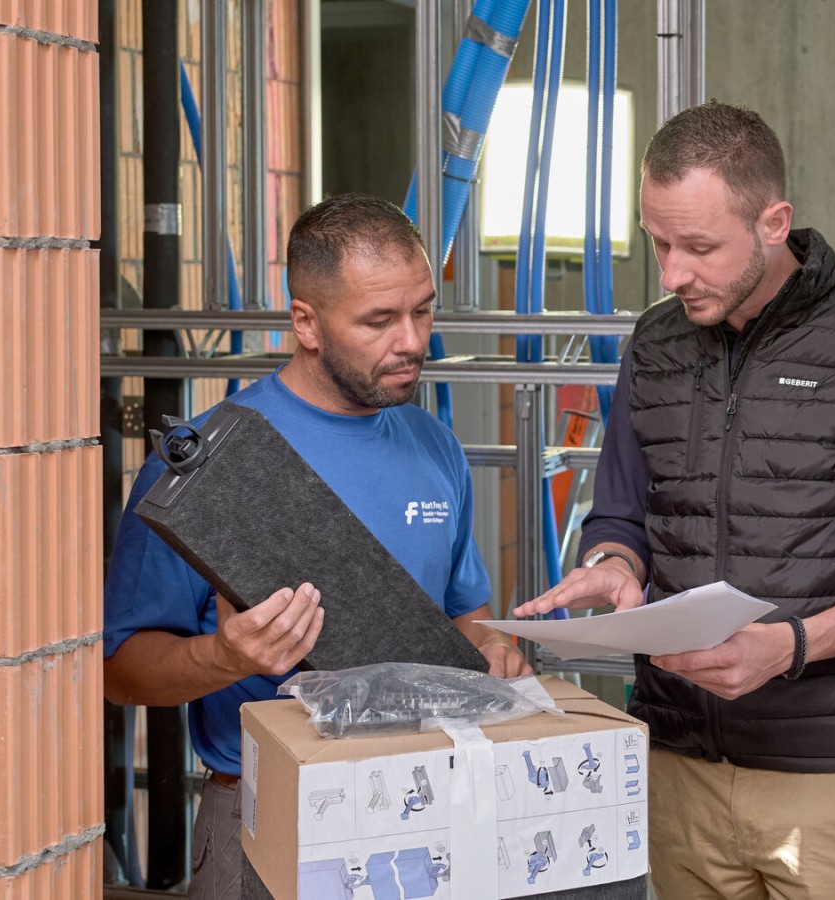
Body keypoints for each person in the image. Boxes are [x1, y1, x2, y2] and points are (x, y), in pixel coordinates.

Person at [515, 101, 835, 900]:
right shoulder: (655, 346)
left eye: (698, 246)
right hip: (676, 763)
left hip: (832, 779)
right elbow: (622, 513)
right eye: (658, 243)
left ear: (775, 222)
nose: (671, 273)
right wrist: (610, 563)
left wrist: (793, 645)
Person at [103, 193, 529, 900]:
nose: (414, 340)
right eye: (379, 320)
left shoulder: (435, 446)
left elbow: (466, 613)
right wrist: (225, 656)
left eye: (422, 310)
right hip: (269, 813)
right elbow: (116, 671)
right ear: (305, 321)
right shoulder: (209, 467)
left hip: (429, 805)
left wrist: (489, 652)